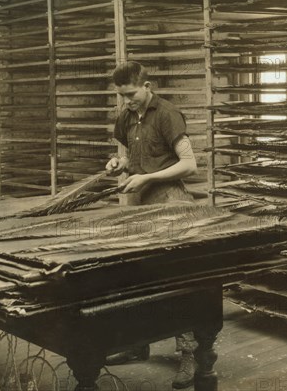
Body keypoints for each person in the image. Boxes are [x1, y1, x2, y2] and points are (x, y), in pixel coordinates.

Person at [105, 61, 198, 389]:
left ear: (147, 86)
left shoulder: (167, 114)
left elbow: (189, 164)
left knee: (175, 279)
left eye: (130, 94)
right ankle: (135, 343)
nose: (125, 101)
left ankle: (189, 354)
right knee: (135, 276)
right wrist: (120, 164)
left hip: (169, 203)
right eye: (120, 96)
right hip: (136, 205)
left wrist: (147, 177)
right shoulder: (127, 116)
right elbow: (132, 154)